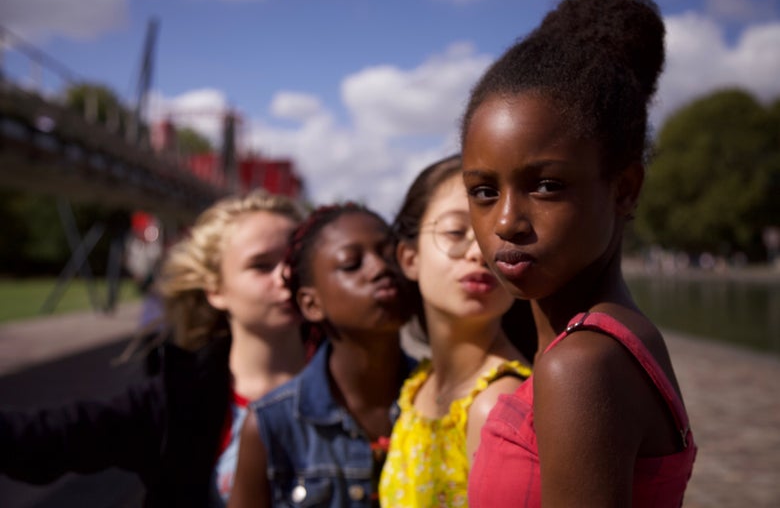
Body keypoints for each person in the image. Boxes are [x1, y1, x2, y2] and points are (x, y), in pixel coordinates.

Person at [460, 0, 697, 506]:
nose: (506, 222)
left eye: (546, 186)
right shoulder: (609, 339)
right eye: (483, 191)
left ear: (625, 189)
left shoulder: (582, 366)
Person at [0, 189, 308, 507]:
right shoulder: (176, 401)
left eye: (293, 261)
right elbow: (49, 439)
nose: (285, 276)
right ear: (215, 290)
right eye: (261, 265)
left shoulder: (352, 381)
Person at [228, 202, 416, 508]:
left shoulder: (444, 403)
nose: (380, 268)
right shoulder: (271, 426)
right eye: (352, 263)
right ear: (310, 304)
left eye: (388, 254)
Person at [378, 154, 532, 506]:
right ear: (409, 258)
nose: (480, 253)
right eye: (455, 231)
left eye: (496, 236)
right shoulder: (419, 383)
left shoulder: (495, 406)